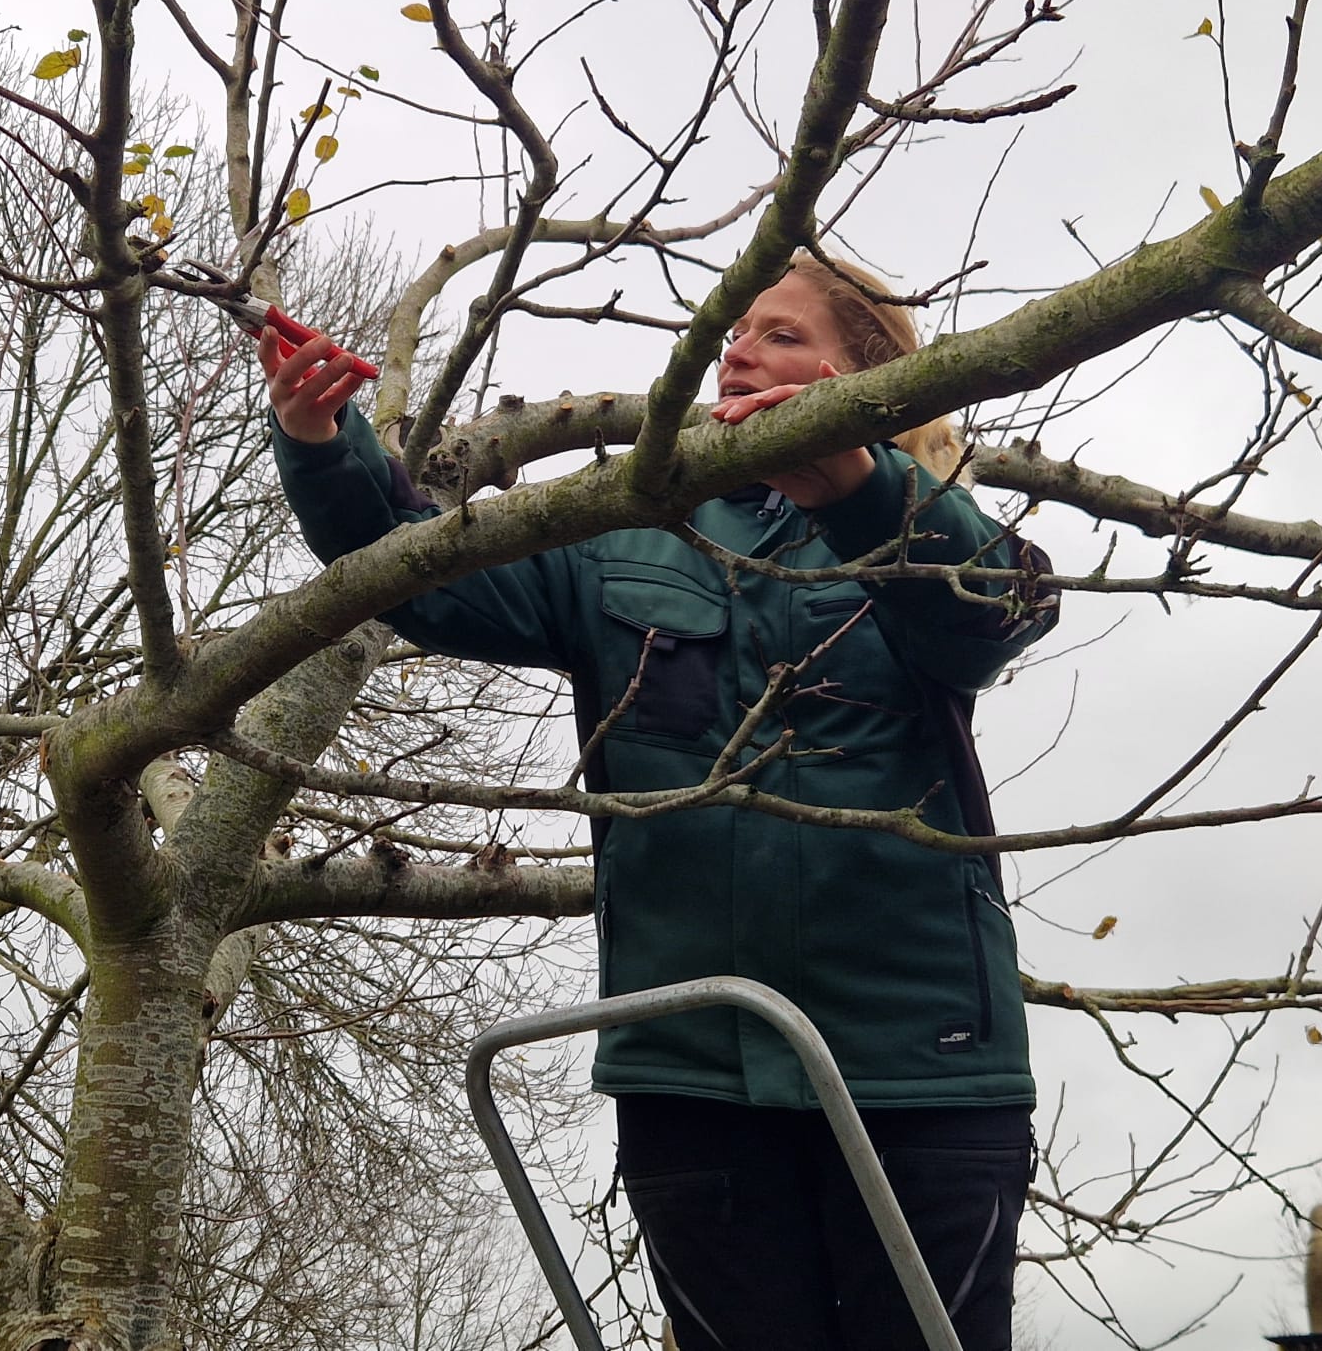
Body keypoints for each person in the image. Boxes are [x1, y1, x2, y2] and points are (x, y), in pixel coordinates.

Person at [261, 254, 1059, 1350]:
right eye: (730, 330)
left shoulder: (931, 534)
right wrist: (325, 448)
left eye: (778, 333)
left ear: (865, 376)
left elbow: (999, 614)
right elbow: (413, 570)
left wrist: (867, 490)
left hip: (921, 1073)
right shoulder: (623, 533)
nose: (737, 349)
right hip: (690, 1073)